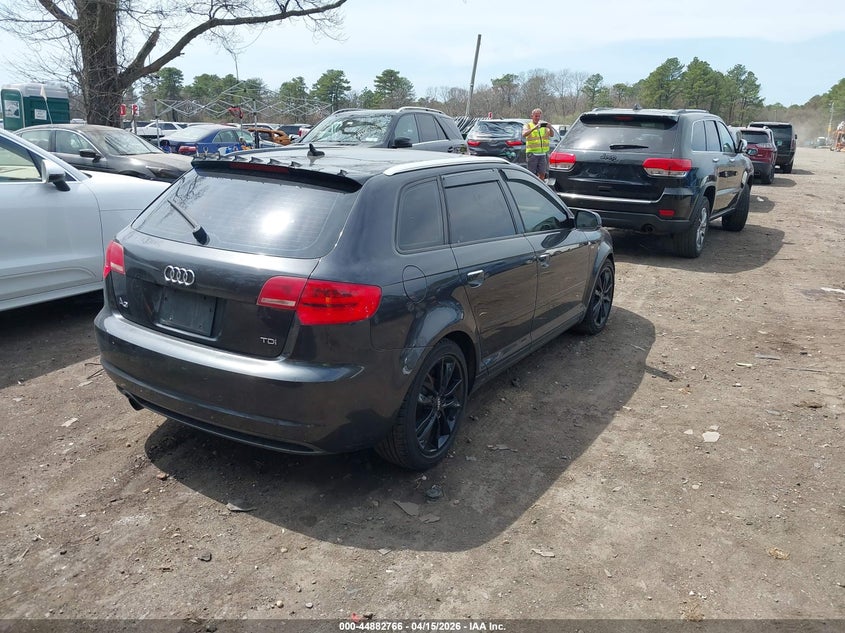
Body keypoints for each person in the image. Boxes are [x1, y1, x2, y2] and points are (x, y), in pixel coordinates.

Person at [522, 108, 555, 180]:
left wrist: (550, 128)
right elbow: (524, 134)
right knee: (531, 174)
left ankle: (540, 188)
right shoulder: (528, 125)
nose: (537, 118)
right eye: (536, 116)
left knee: (542, 174)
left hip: (542, 154)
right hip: (532, 154)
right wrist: (534, 128)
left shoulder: (543, 126)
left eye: (539, 116)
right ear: (532, 116)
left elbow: (552, 135)